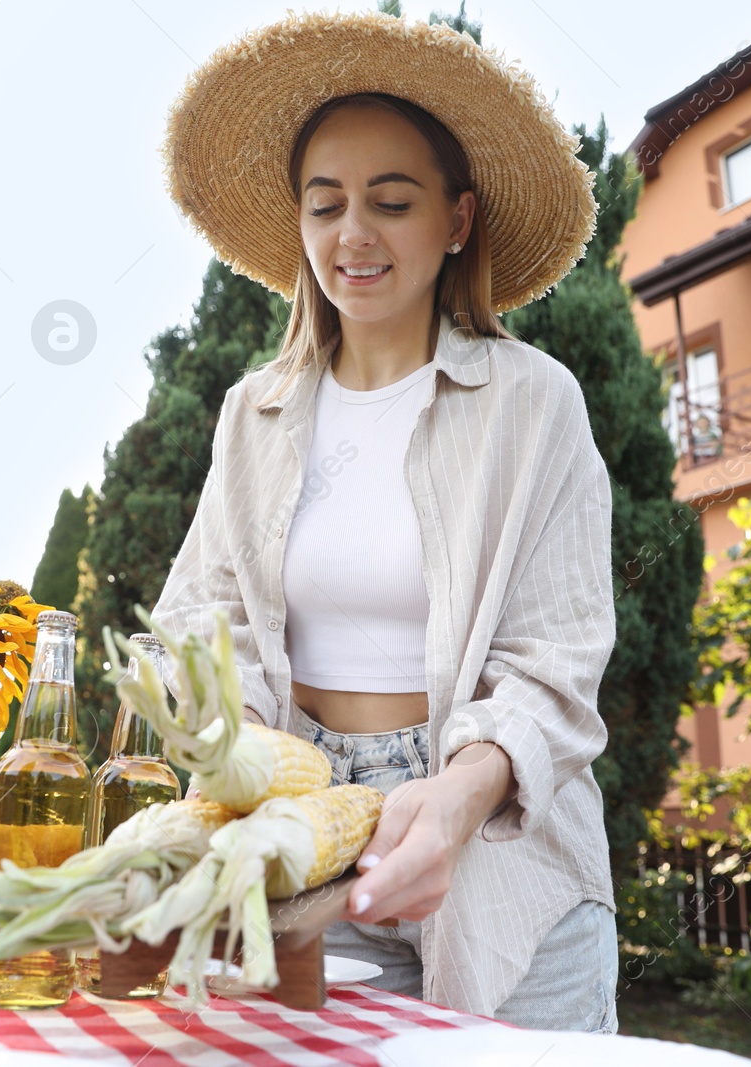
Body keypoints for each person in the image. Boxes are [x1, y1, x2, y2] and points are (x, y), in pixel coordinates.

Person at [149, 11, 619, 1032]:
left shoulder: (530, 403)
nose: (351, 234)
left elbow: (559, 655)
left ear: (456, 219)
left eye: (390, 201)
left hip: (496, 838)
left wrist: (453, 799)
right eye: (326, 205)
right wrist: (234, 764)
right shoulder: (253, 414)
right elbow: (206, 612)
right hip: (304, 825)